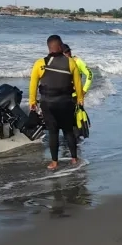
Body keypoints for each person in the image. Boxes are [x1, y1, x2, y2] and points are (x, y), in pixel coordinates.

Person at [29, 35, 84, 169]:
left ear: (49, 48)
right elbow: (78, 84)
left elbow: (33, 84)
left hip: (48, 104)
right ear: (60, 47)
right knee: (68, 131)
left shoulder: (39, 63)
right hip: (65, 103)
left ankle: (54, 162)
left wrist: (32, 101)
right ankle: (74, 159)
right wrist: (80, 100)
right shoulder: (71, 62)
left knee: (53, 132)